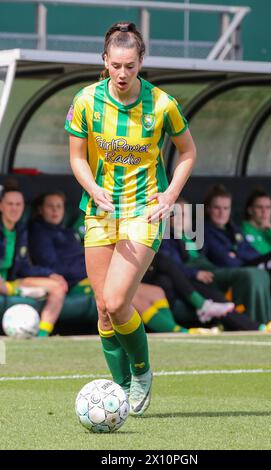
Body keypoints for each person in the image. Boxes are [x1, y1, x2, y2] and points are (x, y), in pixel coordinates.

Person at [65, 21, 197, 415]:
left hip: (143, 211)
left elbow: (188, 152)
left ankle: (141, 372)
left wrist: (171, 195)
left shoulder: (162, 104)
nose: (122, 74)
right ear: (104, 60)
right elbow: (75, 156)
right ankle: (120, 391)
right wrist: (92, 187)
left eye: (130, 66)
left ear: (141, 63)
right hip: (100, 212)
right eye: (116, 65)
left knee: (118, 300)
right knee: (102, 309)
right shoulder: (86, 100)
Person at [29, 191, 209, 335]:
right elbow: (53, 265)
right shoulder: (39, 232)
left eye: (59, 206)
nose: (55, 210)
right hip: (76, 282)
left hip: (88, 275)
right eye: (50, 206)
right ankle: (178, 332)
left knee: (157, 291)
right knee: (129, 295)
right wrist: (88, 268)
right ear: (40, 210)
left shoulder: (66, 232)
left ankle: (169, 330)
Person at [203, 184, 271, 326]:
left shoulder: (234, 230)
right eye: (217, 208)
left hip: (250, 267)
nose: (222, 213)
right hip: (235, 272)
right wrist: (238, 256)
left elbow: (252, 254)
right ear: (209, 209)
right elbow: (225, 260)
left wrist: (238, 255)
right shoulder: (204, 230)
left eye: (226, 208)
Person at [0, 184, 68, 337]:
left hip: (11, 282)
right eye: (10, 204)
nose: (14, 208)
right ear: (1, 206)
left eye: (18, 204)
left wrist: (50, 274)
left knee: (58, 287)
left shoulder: (21, 229)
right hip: (3, 284)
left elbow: (23, 267)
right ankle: (17, 291)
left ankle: (41, 336)